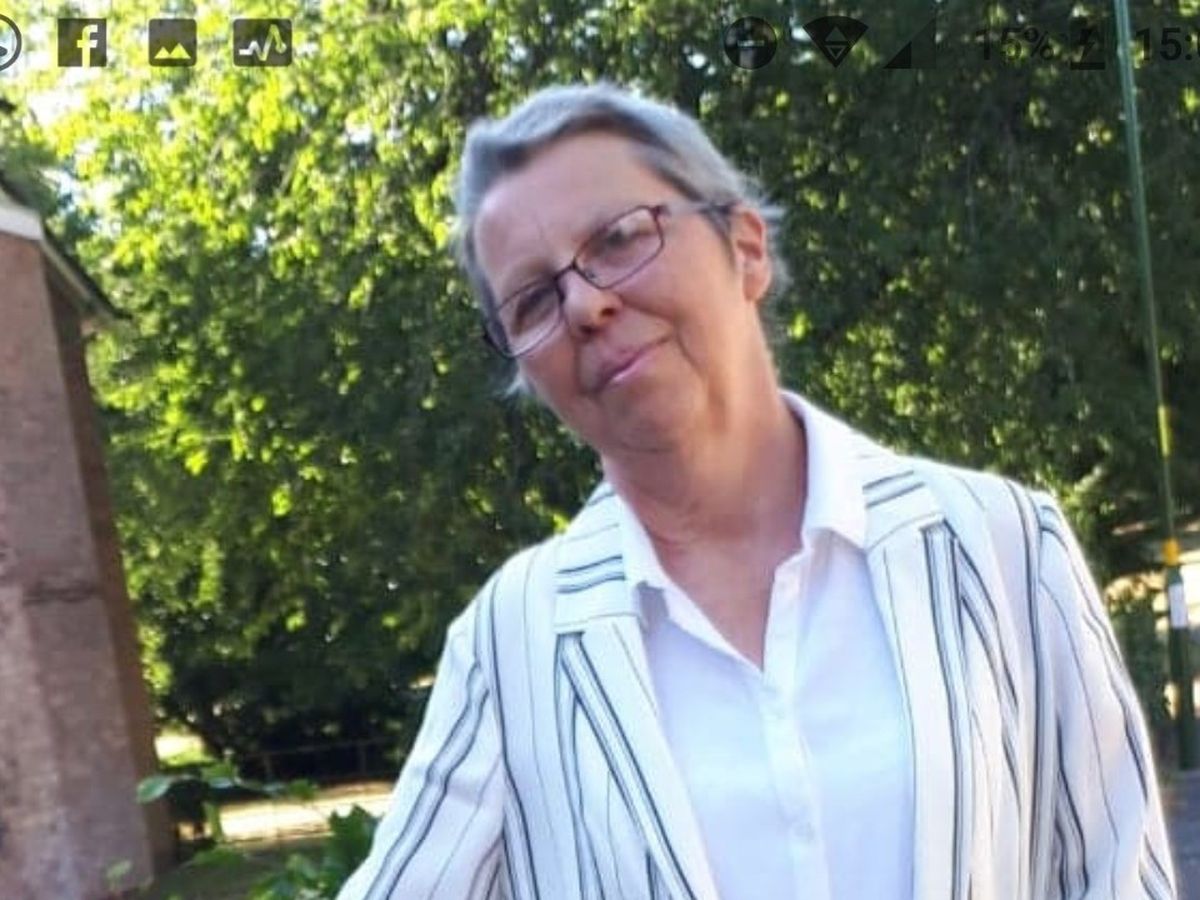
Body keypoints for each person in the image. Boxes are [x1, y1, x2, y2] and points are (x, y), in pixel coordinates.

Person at [338, 82, 1177, 900]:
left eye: (619, 238)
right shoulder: (511, 641)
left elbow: (1117, 876)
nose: (586, 303)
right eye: (533, 300)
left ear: (745, 248)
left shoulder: (1003, 546)